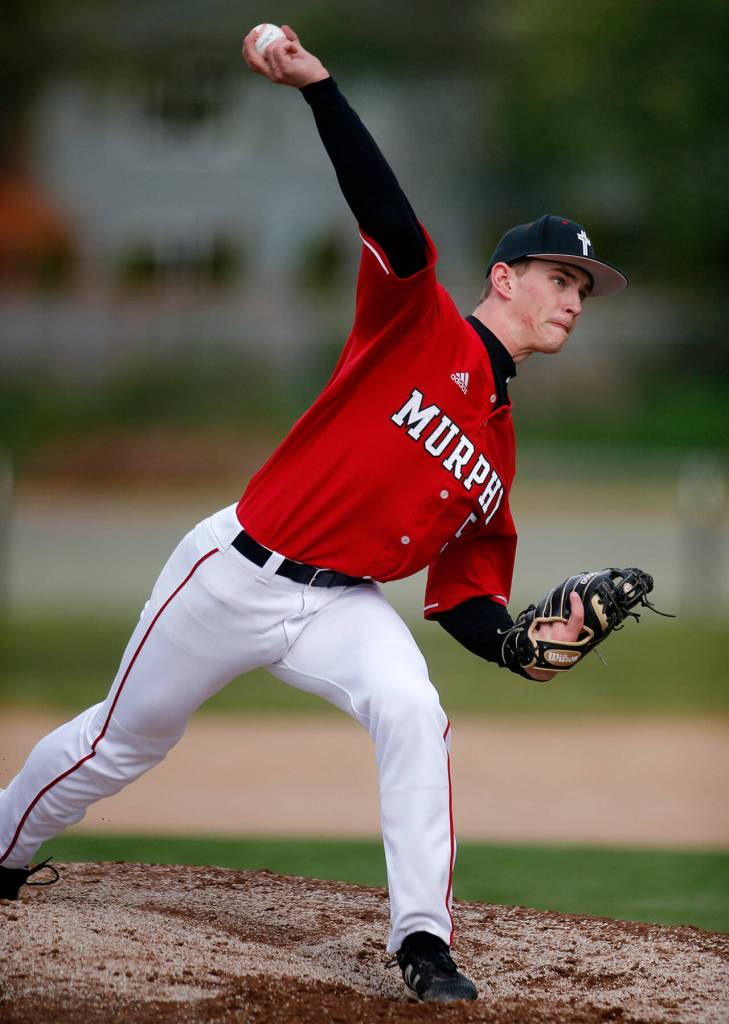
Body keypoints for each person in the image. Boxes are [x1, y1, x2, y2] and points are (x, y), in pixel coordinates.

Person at [0, 26, 628, 1003]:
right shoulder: (416, 318)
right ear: (504, 278)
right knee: (120, 743)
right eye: (560, 278)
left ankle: (423, 942)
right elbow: (390, 215)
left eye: (584, 288)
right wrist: (319, 88)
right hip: (236, 568)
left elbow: (462, 594)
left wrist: (513, 645)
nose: (575, 300)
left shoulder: (498, 454)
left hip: (341, 604)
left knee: (413, 709)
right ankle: (5, 847)